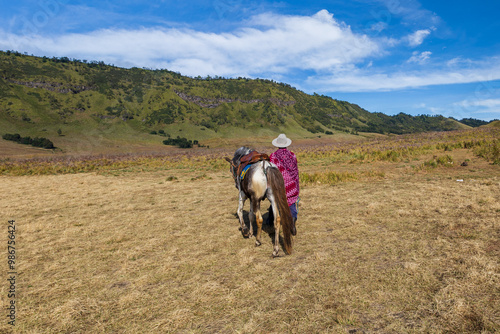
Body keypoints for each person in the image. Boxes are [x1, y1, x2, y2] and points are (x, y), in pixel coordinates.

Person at [267, 133, 300, 225]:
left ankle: (270, 220)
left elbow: (272, 171)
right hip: (292, 184)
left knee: (274, 201)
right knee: (291, 202)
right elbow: (296, 171)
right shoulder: (293, 155)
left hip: (279, 184)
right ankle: (293, 218)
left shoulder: (273, 156)